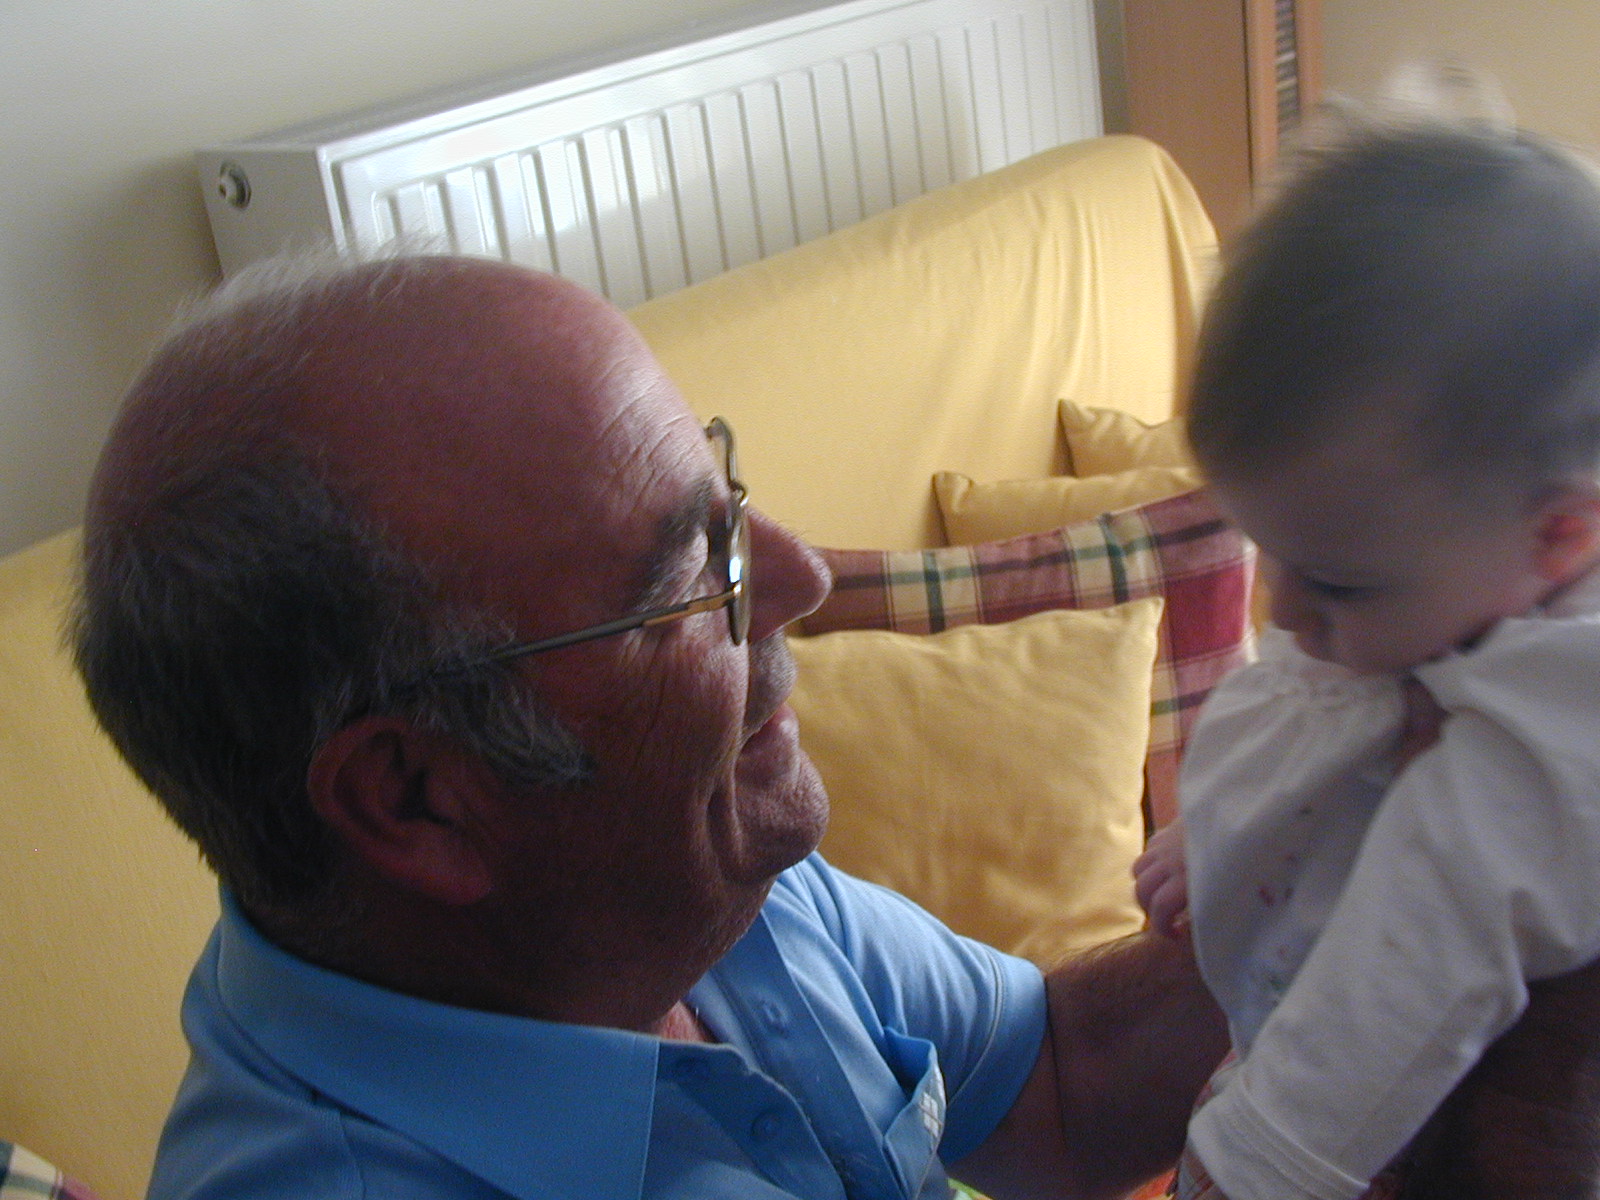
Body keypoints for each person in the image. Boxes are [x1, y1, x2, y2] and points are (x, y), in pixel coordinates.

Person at [73, 251, 1228, 1200]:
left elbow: (1054, 1082)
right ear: (416, 799)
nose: (801, 578)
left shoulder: (676, 880)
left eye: (726, 507)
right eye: (687, 575)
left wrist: (1307, 875)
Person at [1131, 113, 1600, 1200]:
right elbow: (1336, 709)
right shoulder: (1451, 568)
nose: (1282, 608)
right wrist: (1239, 826)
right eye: (1268, 551)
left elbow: (1396, 988)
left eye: (1337, 582)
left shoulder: (1553, 731)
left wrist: (1243, 1169)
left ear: (1560, 534)